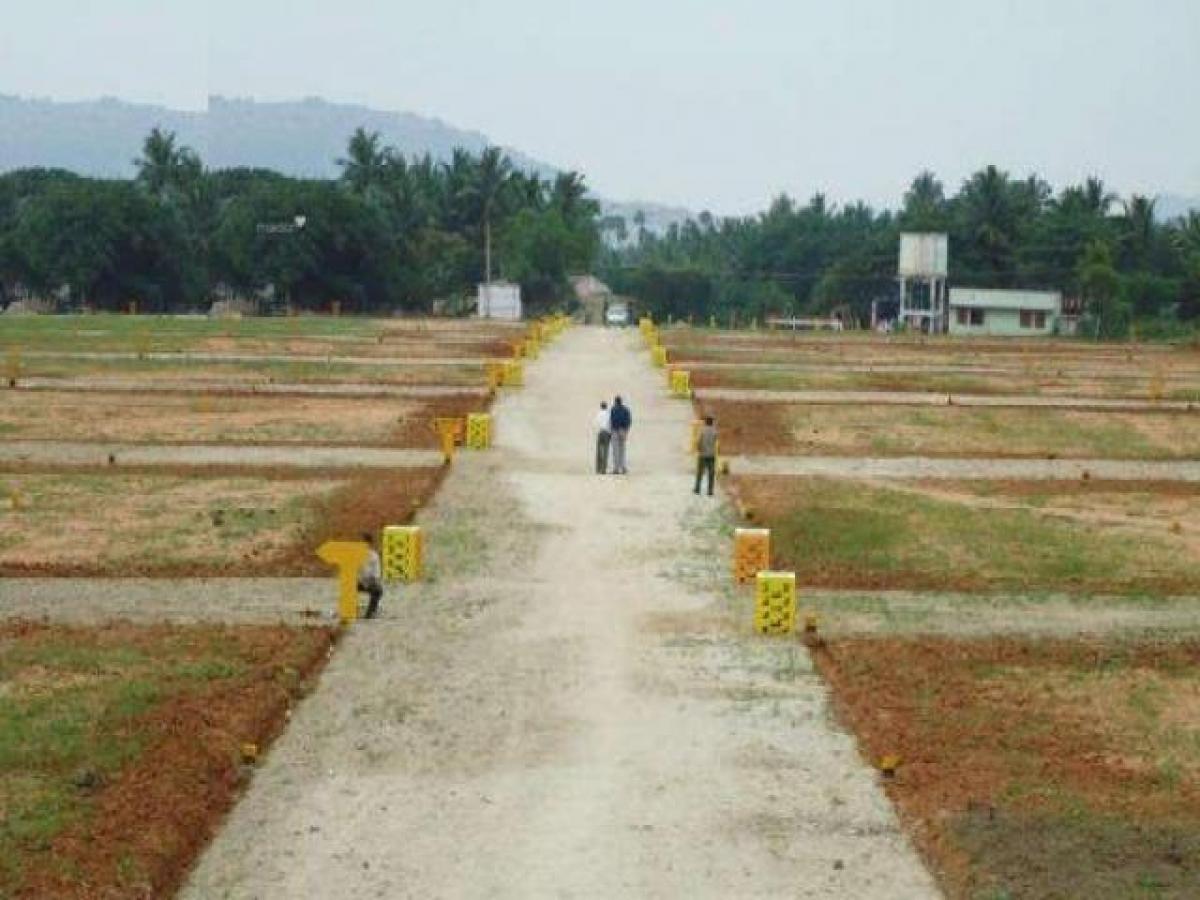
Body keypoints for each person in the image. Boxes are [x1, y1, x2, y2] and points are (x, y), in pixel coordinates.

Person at [357, 532, 383, 619]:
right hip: (357, 581)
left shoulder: (374, 556)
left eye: (365, 543)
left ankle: (370, 613)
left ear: (370, 544)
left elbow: (376, 574)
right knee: (347, 587)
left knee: (378, 590)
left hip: (369, 581)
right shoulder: (355, 554)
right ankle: (350, 610)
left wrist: (369, 582)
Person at [694, 415, 718, 496]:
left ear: (705, 422)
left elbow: (699, 441)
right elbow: (715, 441)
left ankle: (697, 489)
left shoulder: (702, 430)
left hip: (703, 454)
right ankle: (710, 491)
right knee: (711, 474)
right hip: (711, 455)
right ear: (712, 422)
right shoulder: (715, 431)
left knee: (700, 473)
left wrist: (699, 449)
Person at [609, 395, 632, 474]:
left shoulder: (613, 409)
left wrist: (611, 430)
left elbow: (611, 420)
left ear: (615, 402)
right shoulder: (626, 410)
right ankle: (623, 468)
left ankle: (616, 469)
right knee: (622, 450)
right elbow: (629, 420)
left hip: (615, 431)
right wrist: (626, 430)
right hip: (623, 430)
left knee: (615, 450)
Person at [594, 400, 611, 474]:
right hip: (607, 433)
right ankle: (604, 469)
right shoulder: (608, 414)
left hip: (600, 432)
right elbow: (610, 424)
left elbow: (595, 423)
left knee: (599, 451)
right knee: (606, 451)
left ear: (601, 406)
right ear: (606, 407)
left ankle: (598, 468)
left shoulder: (598, 414)